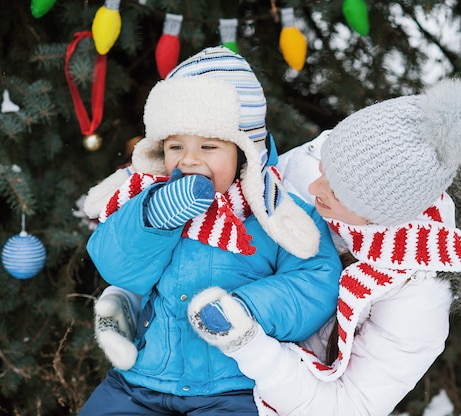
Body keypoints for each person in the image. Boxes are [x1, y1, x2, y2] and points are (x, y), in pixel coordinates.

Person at [189, 78, 461, 416]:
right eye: (324, 167)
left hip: (254, 391)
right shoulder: (318, 163)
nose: (313, 185)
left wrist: (250, 347)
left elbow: (349, 406)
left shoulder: (417, 296)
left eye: (335, 191)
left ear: (381, 215)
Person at [79, 46, 342, 415]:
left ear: (245, 152)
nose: (189, 159)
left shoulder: (277, 215)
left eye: (208, 146)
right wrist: (156, 217)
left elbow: (316, 281)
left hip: (236, 388)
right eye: (175, 146)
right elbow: (115, 265)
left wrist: (246, 310)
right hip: (143, 380)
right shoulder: (148, 201)